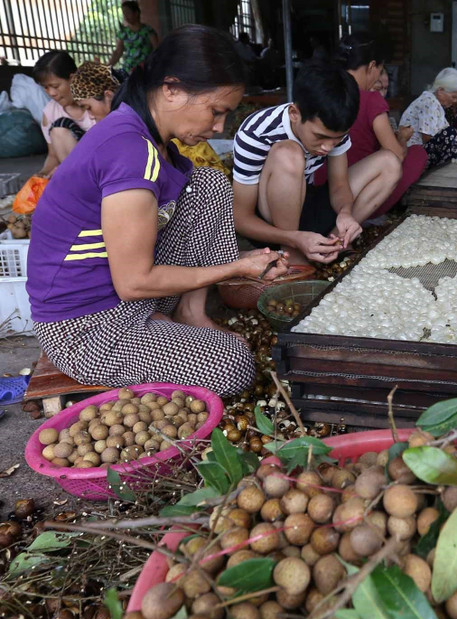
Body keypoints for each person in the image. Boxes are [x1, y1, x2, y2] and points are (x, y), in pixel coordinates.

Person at [26, 25, 284, 396]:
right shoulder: (130, 152)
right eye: (215, 111)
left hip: (126, 298)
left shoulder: (152, 142)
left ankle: (189, 314)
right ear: (172, 89)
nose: (218, 126)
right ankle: (159, 332)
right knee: (233, 364)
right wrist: (237, 267)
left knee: (208, 184)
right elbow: (132, 283)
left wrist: (241, 260)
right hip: (86, 328)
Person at [232, 64, 399, 265]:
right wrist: (294, 239)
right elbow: (241, 219)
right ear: (295, 113)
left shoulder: (336, 130)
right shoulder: (255, 133)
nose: (327, 147)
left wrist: (345, 213)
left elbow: (339, 186)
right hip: (272, 227)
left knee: (389, 163)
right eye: (320, 137)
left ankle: (332, 245)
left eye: (337, 139)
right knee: (289, 153)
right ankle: (293, 258)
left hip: (307, 206)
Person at [314, 32, 421, 217]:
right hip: (352, 189)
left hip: (315, 183)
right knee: (417, 154)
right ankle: (355, 222)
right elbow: (396, 155)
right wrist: (402, 139)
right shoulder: (370, 100)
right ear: (372, 66)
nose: (377, 79)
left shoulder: (324, 92)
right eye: (379, 72)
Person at [400, 68, 457, 169]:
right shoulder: (430, 103)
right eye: (453, 97)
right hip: (414, 153)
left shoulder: (436, 103)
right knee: (450, 133)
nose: (455, 101)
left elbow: (447, 130)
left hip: (421, 151)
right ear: (440, 91)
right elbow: (428, 138)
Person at [33, 51, 95, 177]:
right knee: (58, 130)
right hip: (76, 174)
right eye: (46, 87)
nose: (51, 93)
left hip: (102, 165)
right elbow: (53, 155)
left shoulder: (97, 103)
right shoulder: (50, 112)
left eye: (55, 86)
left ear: (72, 79)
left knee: (60, 127)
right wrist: (42, 174)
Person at [108, 0, 159, 74]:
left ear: (136, 13)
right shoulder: (124, 32)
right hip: (128, 71)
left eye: (128, 13)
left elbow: (156, 49)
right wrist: (107, 67)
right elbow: (118, 52)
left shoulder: (148, 31)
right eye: (124, 13)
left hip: (146, 70)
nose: (125, 16)